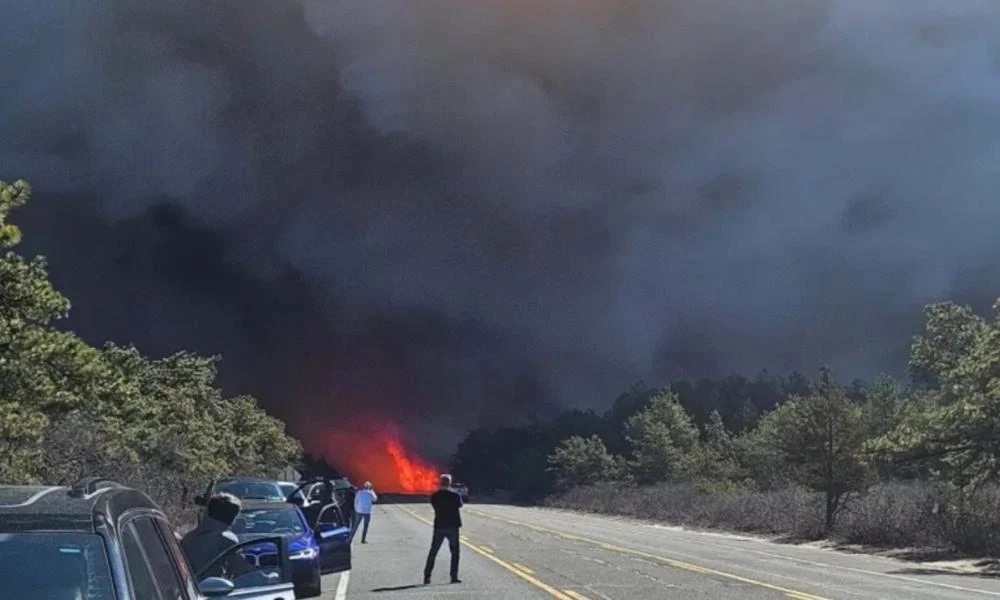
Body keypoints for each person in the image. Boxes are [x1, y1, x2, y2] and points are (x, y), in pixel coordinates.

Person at [180, 493, 276, 586]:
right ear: (232, 518)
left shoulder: (188, 538)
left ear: (208, 512)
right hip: (213, 592)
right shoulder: (226, 539)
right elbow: (243, 569)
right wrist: (268, 579)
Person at [423, 473, 463, 585]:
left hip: (440, 526)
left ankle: (427, 576)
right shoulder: (455, 495)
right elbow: (460, 505)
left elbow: (434, 505)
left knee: (433, 551)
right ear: (450, 483)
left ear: (440, 483)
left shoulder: (435, 496)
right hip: (452, 526)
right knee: (455, 552)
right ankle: (453, 577)